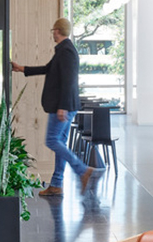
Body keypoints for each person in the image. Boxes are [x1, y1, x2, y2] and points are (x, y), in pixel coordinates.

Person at [11, 17, 93, 196]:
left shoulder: (67, 52)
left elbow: (69, 80)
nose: (52, 34)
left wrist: (62, 106)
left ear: (57, 30)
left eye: (53, 30)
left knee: (52, 140)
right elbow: (48, 68)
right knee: (59, 142)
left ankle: (82, 170)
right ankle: (56, 184)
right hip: (63, 105)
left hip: (63, 106)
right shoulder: (63, 51)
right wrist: (22, 68)